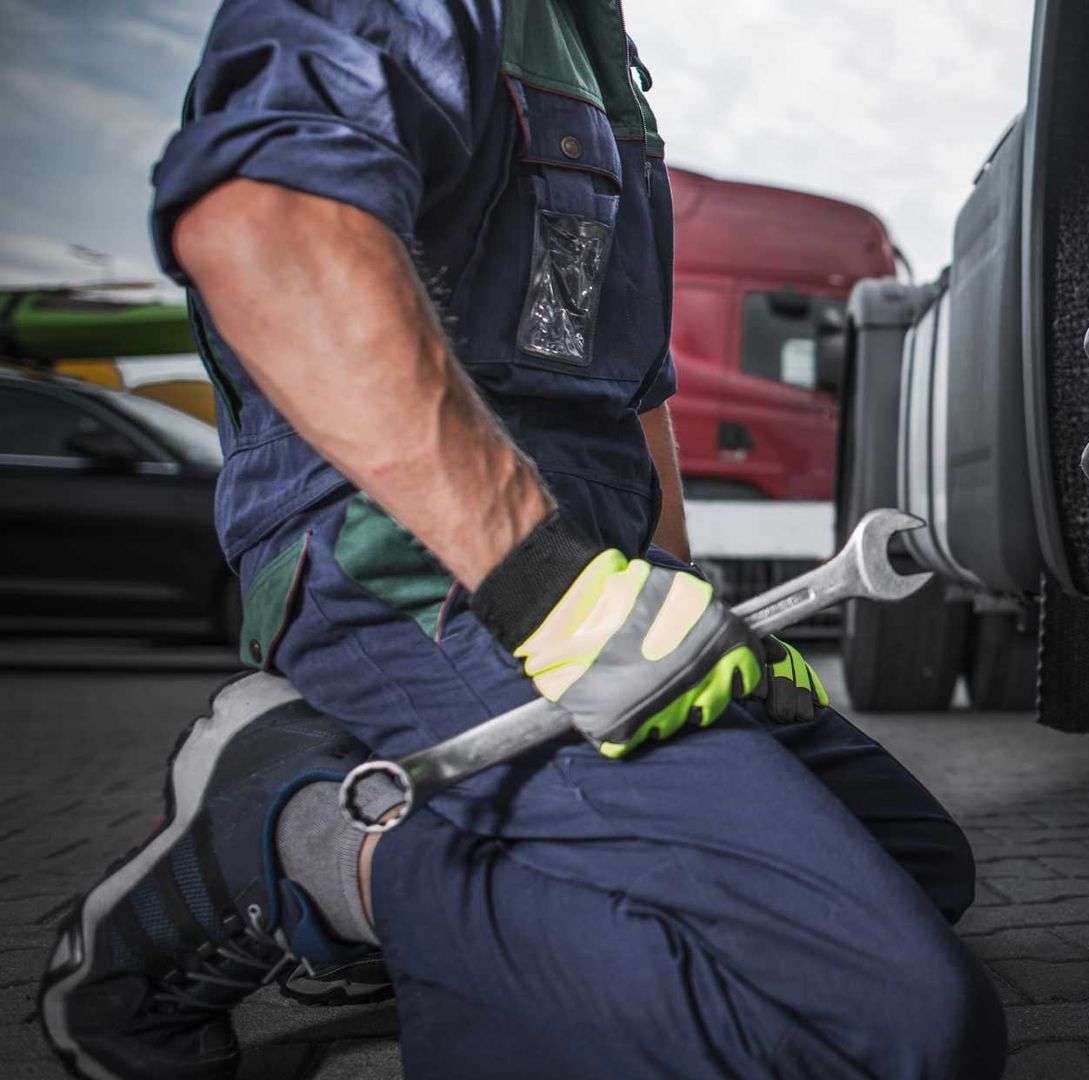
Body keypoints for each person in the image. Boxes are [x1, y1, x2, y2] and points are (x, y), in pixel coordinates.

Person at [37, 2, 1007, 1077]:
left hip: (580, 561)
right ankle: (310, 848)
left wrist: (678, 601)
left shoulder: (595, 45)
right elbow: (266, 225)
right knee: (897, 1031)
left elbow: (631, 394)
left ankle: (435, 875)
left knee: (917, 864)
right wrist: (547, 590)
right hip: (408, 556)